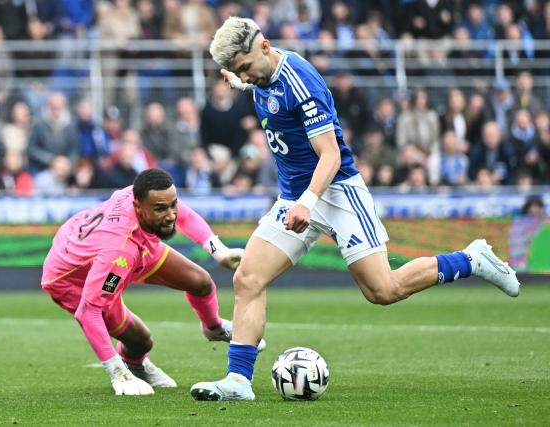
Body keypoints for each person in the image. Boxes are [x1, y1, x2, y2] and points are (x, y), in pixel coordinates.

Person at [190, 16, 521, 402]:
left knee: (383, 289)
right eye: (236, 72)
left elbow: (329, 156)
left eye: (244, 67)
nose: (245, 76)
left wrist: (307, 203)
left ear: (264, 47)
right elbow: (260, 83)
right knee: (248, 279)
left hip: (336, 191)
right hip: (294, 198)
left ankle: (471, 258)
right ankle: (238, 381)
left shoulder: (300, 81)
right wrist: (240, 79)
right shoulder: (260, 74)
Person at [41, 168, 261, 396]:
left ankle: (214, 328)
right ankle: (130, 367)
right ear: (138, 207)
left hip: (127, 244)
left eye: (172, 205)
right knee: (141, 342)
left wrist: (220, 252)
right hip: (72, 277)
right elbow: (88, 311)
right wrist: (116, 373)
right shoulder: (120, 251)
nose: (171, 215)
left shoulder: (144, 195)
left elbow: (184, 214)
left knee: (200, 282)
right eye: (160, 209)